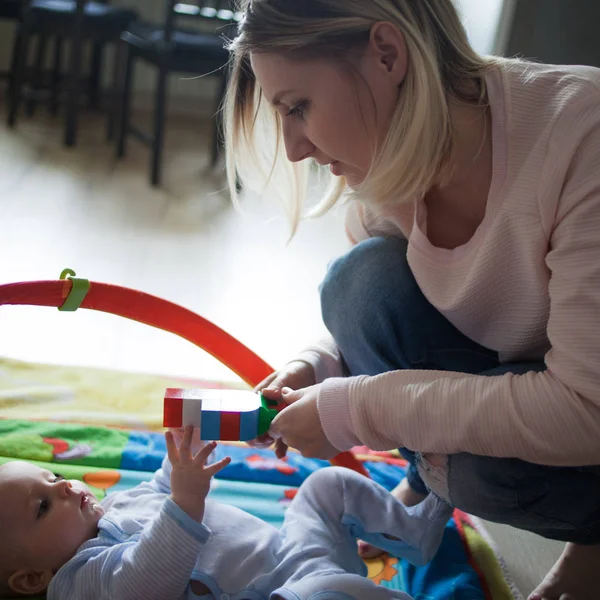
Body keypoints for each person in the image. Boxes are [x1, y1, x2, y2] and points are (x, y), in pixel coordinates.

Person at [223, 1, 600, 599]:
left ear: (387, 54)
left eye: (298, 108)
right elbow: (368, 318)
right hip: (533, 373)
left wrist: (361, 408)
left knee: (482, 472)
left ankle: (590, 538)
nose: (294, 149)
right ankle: (432, 483)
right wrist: (317, 368)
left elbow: (587, 410)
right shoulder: (387, 161)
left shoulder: (582, 133)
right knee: (358, 283)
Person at [0, 426, 451, 600]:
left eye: (53, 476)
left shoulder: (113, 506)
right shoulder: (78, 581)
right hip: (280, 594)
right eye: (43, 506)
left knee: (325, 485)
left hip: (292, 557)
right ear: (32, 578)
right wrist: (185, 500)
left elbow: (164, 484)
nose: (64, 488)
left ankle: (417, 531)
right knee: (334, 592)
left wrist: (188, 444)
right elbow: (146, 579)